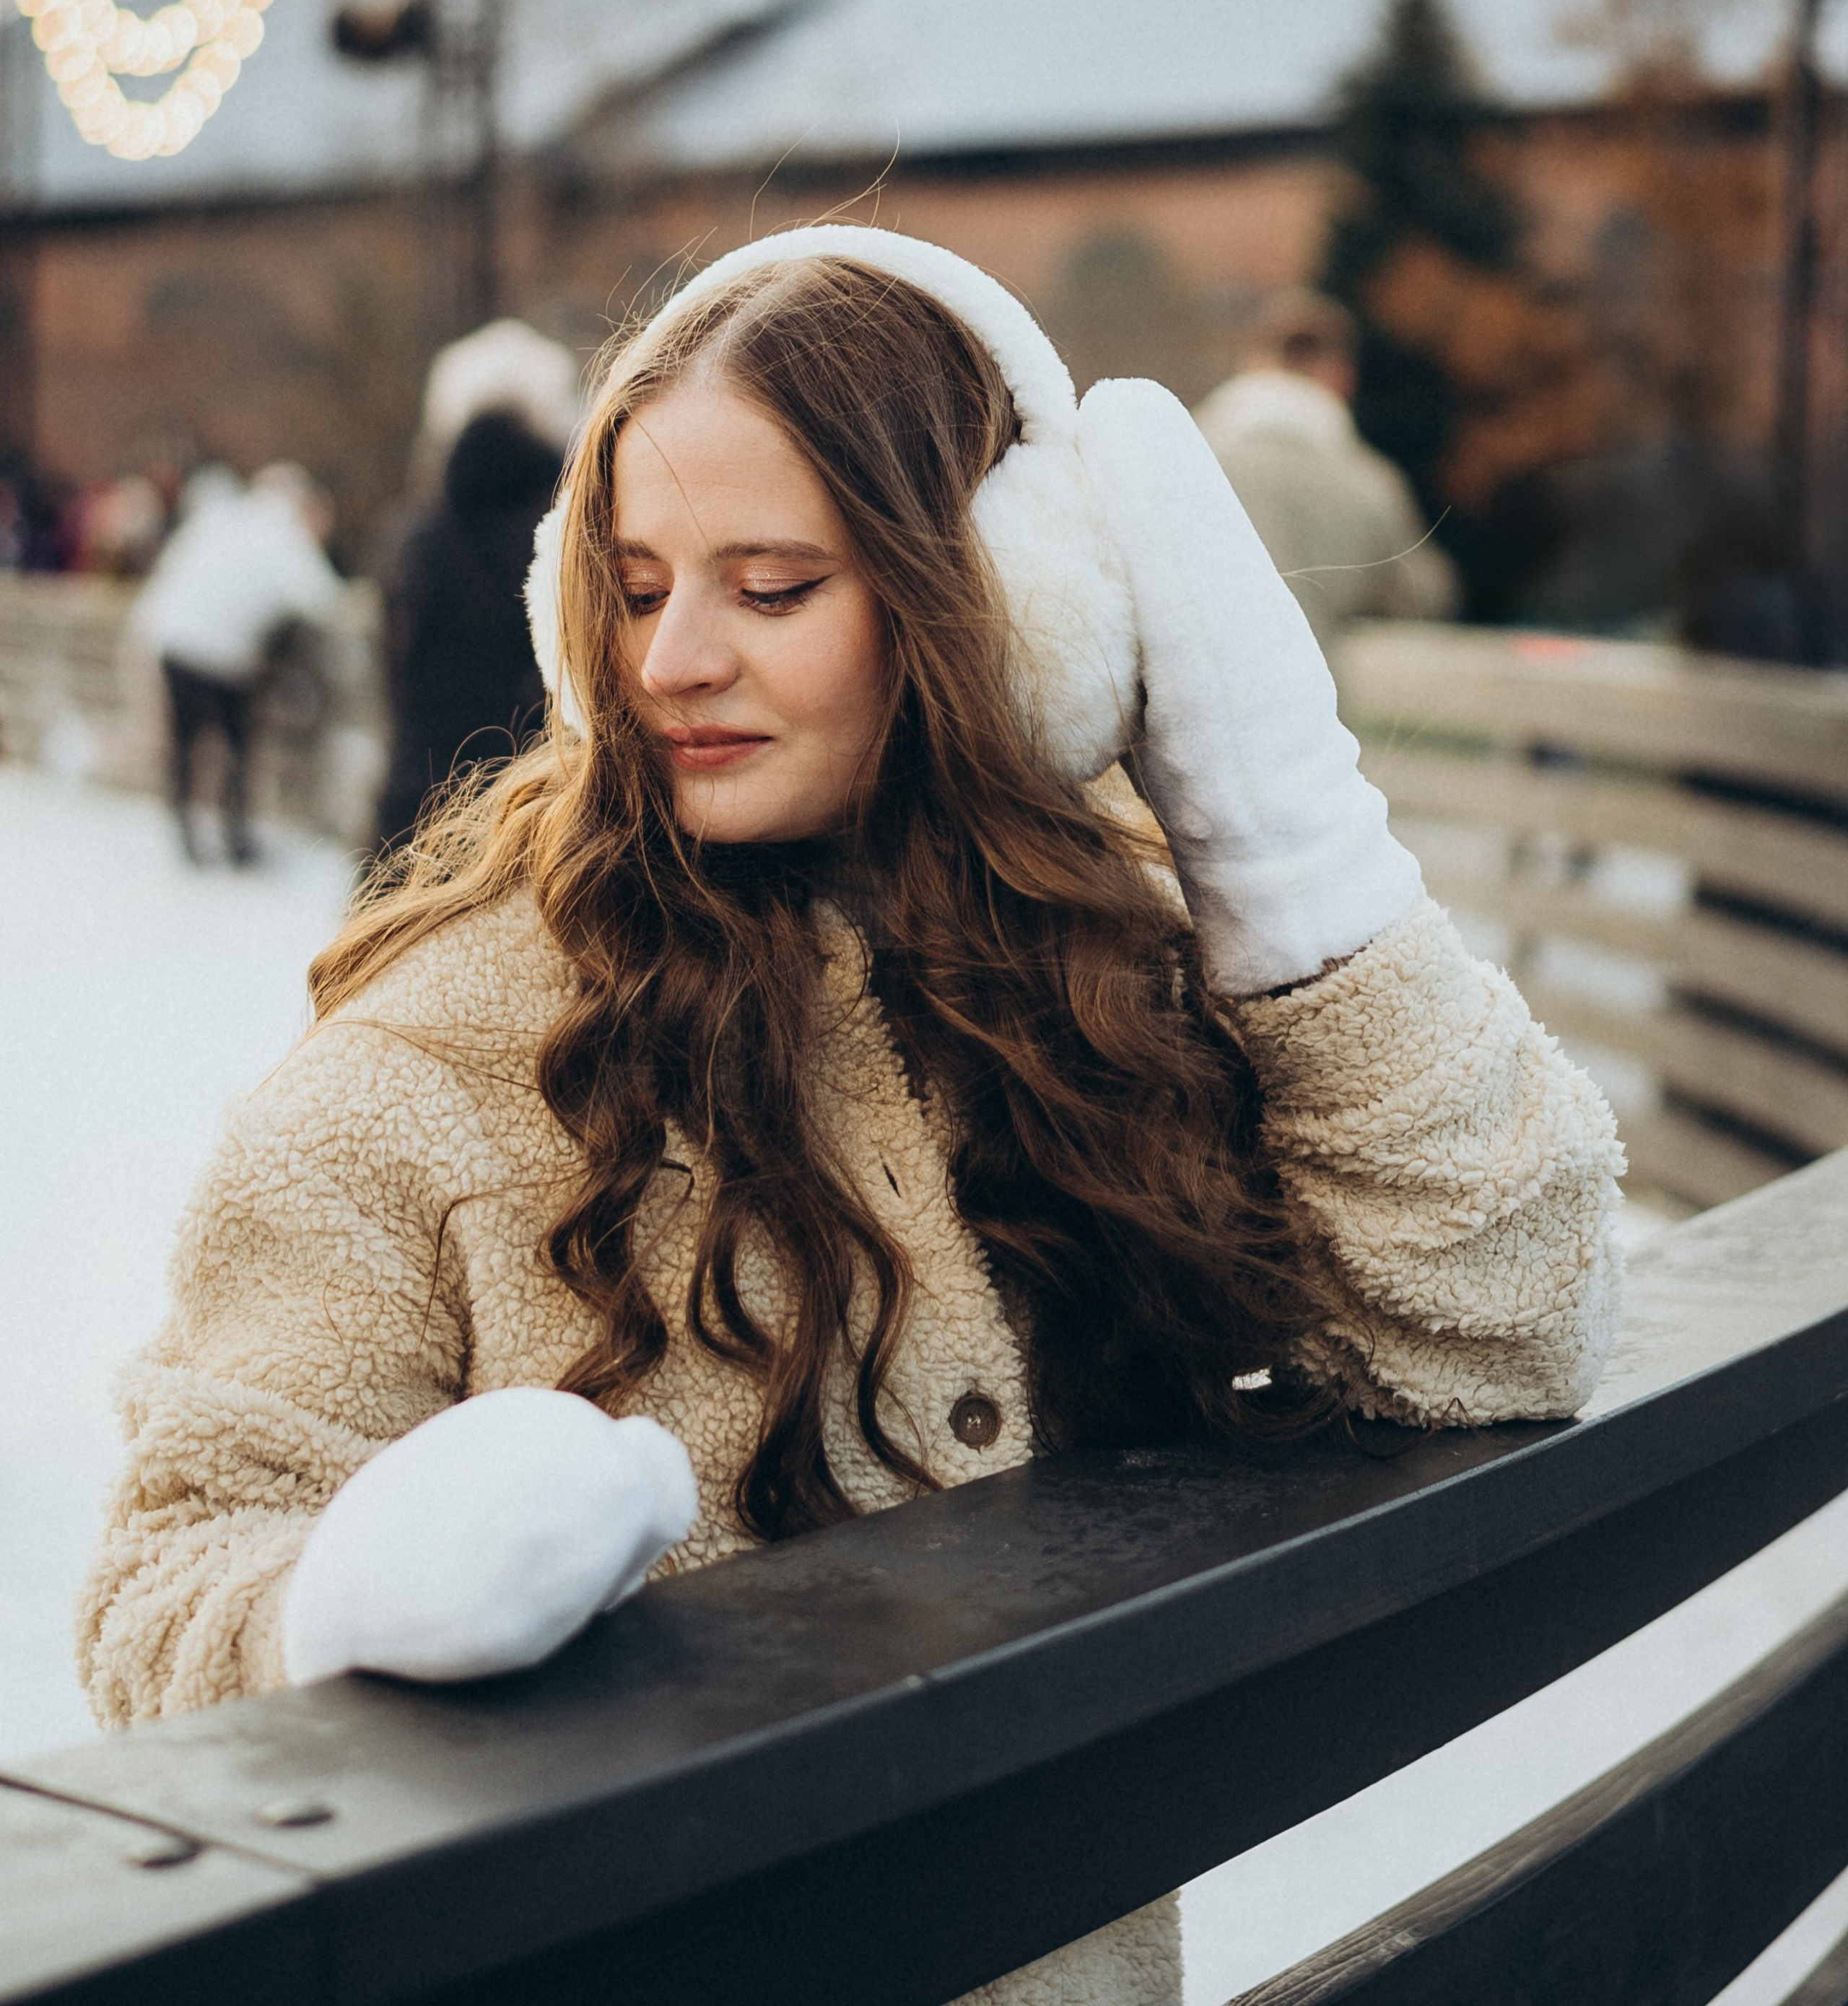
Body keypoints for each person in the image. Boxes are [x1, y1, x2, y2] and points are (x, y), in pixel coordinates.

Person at [83, 230, 1622, 2006]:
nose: (668, 658)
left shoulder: (1112, 985)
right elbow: (160, 1589)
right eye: (638, 582)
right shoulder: (430, 1066)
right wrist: (339, 1604)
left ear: (996, 604)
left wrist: (1282, 829)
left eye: (770, 583)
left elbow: (1505, 1312)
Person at [374, 319, 579, 850]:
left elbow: (394, 669)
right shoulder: (561, 540)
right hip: (529, 808)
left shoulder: (419, 541)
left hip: (415, 799)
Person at [1193, 287, 1459, 650]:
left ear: (1251, 361)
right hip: (1307, 696)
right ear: (1343, 375)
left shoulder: (1183, 455)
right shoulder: (1369, 484)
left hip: (1182, 694)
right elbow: (1427, 599)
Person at [129, 462, 345, 864]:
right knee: (236, 748)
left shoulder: (222, 515)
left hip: (175, 640)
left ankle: (189, 836)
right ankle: (237, 840)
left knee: (186, 746)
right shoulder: (286, 535)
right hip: (227, 657)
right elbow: (323, 599)